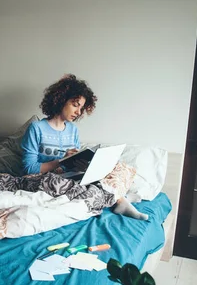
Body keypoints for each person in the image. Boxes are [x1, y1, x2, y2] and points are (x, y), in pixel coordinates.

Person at [20, 74, 148, 220]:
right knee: (82, 186)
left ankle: (118, 197)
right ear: (61, 100)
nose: (78, 112)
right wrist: (61, 160)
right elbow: (28, 168)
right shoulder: (36, 128)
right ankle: (118, 198)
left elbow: (71, 165)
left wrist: (83, 166)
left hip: (68, 177)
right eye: (75, 105)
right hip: (44, 180)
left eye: (81, 108)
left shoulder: (73, 130)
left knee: (120, 167)